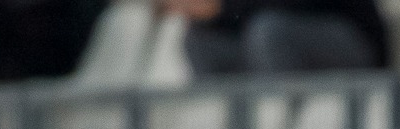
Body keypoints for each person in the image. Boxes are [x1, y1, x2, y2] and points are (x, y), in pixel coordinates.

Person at [160, 0, 387, 76]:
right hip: (270, 44)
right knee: (200, 40)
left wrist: (221, 8)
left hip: (353, 43)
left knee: (269, 32)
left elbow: (298, 5)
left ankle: (283, 124)